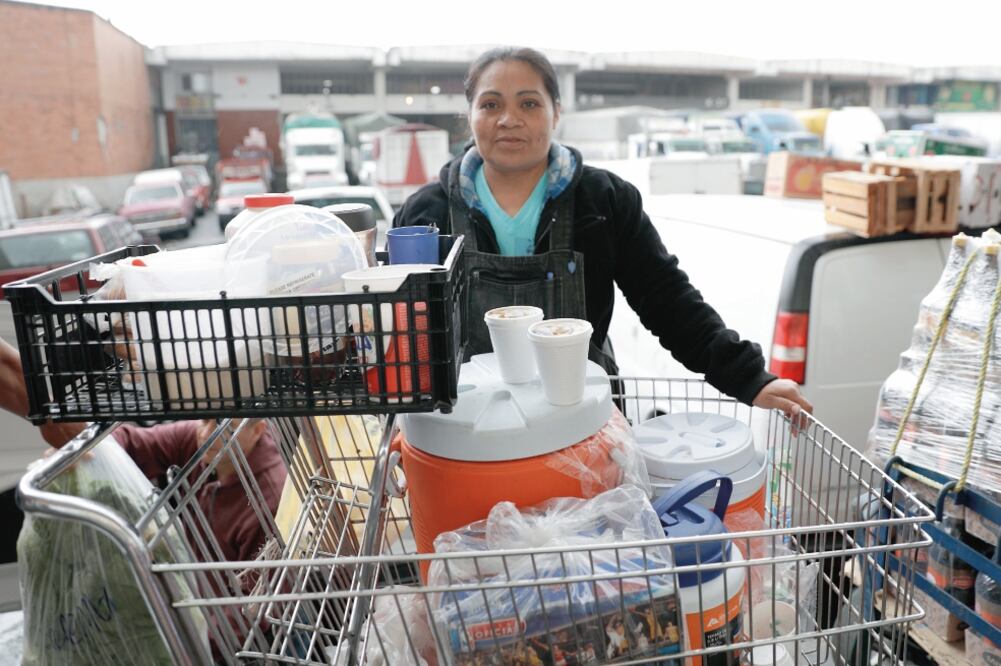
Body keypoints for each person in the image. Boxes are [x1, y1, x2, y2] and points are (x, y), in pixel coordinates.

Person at [393, 47, 813, 415]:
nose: (509, 120)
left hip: (582, 420)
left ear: (556, 112)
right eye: (490, 105)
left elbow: (665, 297)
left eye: (528, 104)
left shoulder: (604, 201)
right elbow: (401, 330)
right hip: (464, 430)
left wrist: (749, 377)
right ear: (469, 117)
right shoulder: (427, 214)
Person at [48, 417, 286, 563]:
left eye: (227, 428)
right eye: (204, 420)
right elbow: (132, 442)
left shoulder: (270, 502)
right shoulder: (199, 441)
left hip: (245, 634)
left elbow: (255, 609)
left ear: (257, 430)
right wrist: (85, 451)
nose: (206, 435)